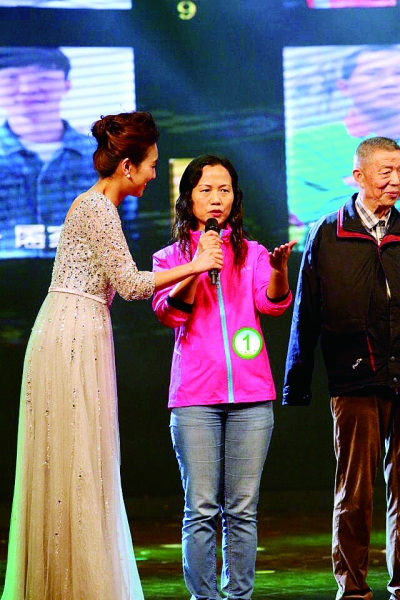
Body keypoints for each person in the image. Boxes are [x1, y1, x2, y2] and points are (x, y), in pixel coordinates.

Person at [1, 112, 223, 600]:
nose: (153, 175)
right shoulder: (98, 207)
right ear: (128, 166)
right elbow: (131, 285)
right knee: (75, 461)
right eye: (151, 165)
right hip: (71, 334)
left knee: (79, 461)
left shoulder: (98, 204)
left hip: (79, 328)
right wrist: (196, 264)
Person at [152, 155, 296, 600]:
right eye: (206, 189)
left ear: (235, 198)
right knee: (200, 508)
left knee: (242, 510)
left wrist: (278, 271)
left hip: (251, 396)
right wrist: (197, 265)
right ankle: (204, 597)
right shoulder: (169, 257)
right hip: (195, 398)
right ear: (188, 197)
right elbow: (170, 314)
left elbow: (272, 304)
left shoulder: (252, 253)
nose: (216, 198)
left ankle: (238, 596)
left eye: (225, 190)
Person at [283, 136, 400, 600]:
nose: (395, 180)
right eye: (386, 171)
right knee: (355, 492)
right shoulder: (327, 234)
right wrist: (297, 382)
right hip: (354, 377)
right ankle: (352, 588)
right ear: (359, 176)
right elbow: (306, 312)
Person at [286, 45, 400, 249]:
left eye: (398, 74)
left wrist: (362, 189)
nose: (390, 82)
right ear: (344, 87)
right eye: (373, 74)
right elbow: (314, 211)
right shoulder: (305, 144)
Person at [0, 47, 98, 257]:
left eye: (42, 78)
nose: (27, 89)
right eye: (12, 78)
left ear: (66, 85)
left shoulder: (103, 156)